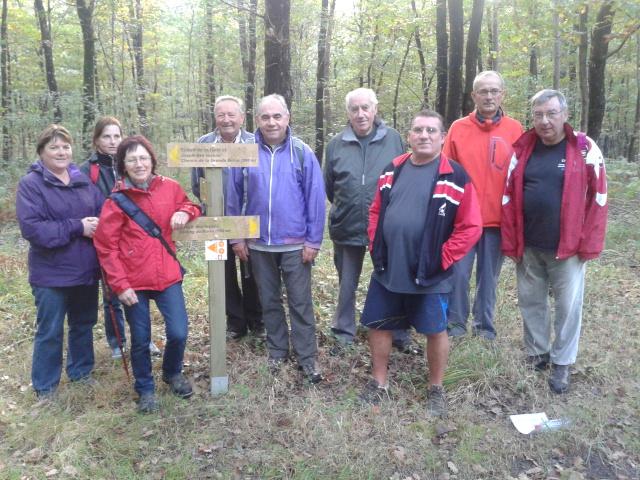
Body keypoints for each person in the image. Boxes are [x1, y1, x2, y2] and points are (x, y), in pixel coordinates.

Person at [359, 110, 482, 417]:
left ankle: (436, 389)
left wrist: (443, 258)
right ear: (409, 135)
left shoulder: (455, 175)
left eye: (431, 130)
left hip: (430, 272)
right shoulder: (393, 169)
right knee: (378, 324)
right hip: (389, 267)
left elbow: (471, 227)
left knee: (434, 329)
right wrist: (376, 244)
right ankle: (379, 383)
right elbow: (375, 211)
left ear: (442, 137)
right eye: (418, 130)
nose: (424, 135)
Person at [501, 89, 607, 394]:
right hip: (529, 242)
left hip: (569, 246)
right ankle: (537, 353)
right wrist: (511, 240)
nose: (545, 121)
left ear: (565, 115)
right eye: (538, 114)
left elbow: (599, 198)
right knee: (531, 301)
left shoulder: (584, 147)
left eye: (551, 113)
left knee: (567, 307)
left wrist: (589, 242)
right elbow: (507, 195)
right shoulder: (524, 148)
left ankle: (562, 362)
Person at [94, 135, 201, 413]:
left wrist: (185, 212)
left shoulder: (170, 187)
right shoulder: (116, 201)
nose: (139, 164)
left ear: (152, 160)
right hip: (133, 282)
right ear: (123, 165)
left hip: (167, 275)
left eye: (143, 158)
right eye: (132, 160)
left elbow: (192, 204)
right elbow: (106, 246)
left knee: (178, 331)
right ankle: (145, 389)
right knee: (140, 339)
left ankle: (172, 372)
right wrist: (120, 285)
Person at [226, 94, 326, 383]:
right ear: (257, 120)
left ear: (287, 118)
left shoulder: (301, 152)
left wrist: (313, 241)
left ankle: (307, 359)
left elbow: (315, 199)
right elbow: (233, 198)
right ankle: (277, 352)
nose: (271, 122)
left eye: (277, 116)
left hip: (295, 244)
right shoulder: (244, 152)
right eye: (265, 117)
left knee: (300, 302)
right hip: (258, 244)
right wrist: (237, 239)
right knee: (268, 301)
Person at [323, 87, 418, 354]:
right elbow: (330, 186)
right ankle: (343, 332)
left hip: (386, 227)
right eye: (355, 109)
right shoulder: (336, 144)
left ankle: (397, 330)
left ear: (375, 109)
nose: (361, 114)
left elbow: (405, 177)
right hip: (347, 224)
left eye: (365, 108)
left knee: (393, 279)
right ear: (348, 113)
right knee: (346, 283)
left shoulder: (394, 139)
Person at [16, 124, 104, 399]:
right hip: (51, 274)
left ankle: (80, 372)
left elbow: (103, 211)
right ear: (41, 152)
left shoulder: (82, 181)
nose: (61, 152)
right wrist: (77, 227)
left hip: (85, 270)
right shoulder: (31, 185)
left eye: (65, 146)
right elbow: (33, 230)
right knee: (50, 330)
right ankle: (45, 387)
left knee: (83, 323)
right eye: (54, 147)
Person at [443, 71, 523, 340]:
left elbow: (521, 175)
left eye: (494, 91)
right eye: (483, 91)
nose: (489, 96)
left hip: (497, 222)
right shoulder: (457, 128)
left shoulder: (515, 129)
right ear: (473, 96)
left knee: (488, 279)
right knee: (459, 275)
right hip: (463, 221)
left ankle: (484, 328)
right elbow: (445, 173)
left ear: (502, 94)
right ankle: (455, 325)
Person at [80, 117, 162, 359]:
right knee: (112, 293)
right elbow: (82, 202)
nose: (113, 141)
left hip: (137, 240)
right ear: (96, 140)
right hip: (108, 240)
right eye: (106, 136)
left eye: (117, 136)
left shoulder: (130, 162)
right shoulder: (89, 170)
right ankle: (117, 342)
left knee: (139, 292)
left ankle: (143, 340)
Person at [190, 95, 263, 341]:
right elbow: (196, 183)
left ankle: (256, 321)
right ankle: (235, 323)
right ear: (215, 118)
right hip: (215, 223)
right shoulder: (203, 143)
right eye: (221, 114)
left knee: (251, 273)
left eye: (232, 114)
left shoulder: (255, 143)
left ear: (242, 118)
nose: (226, 120)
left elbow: (260, 186)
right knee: (222, 274)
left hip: (248, 222)